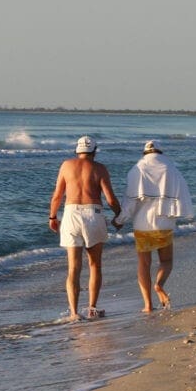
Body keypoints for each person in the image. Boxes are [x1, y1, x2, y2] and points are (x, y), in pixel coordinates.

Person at [113, 140, 193, 313]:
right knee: (166, 261)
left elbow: (131, 201)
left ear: (145, 153)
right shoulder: (171, 169)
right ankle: (159, 285)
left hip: (142, 225)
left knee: (144, 264)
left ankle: (148, 305)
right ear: (159, 152)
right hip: (164, 222)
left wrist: (119, 220)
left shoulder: (138, 169)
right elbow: (182, 194)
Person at [49, 135, 122, 320]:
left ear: (77, 150)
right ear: (94, 151)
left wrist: (52, 216)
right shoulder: (100, 168)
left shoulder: (66, 165)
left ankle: (73, 313)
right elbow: (110, 198)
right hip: (93, 213)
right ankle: (92, 308)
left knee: (73, 267)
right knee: (95, 264)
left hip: (71, 213)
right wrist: (119, 215)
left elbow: (57, 195)